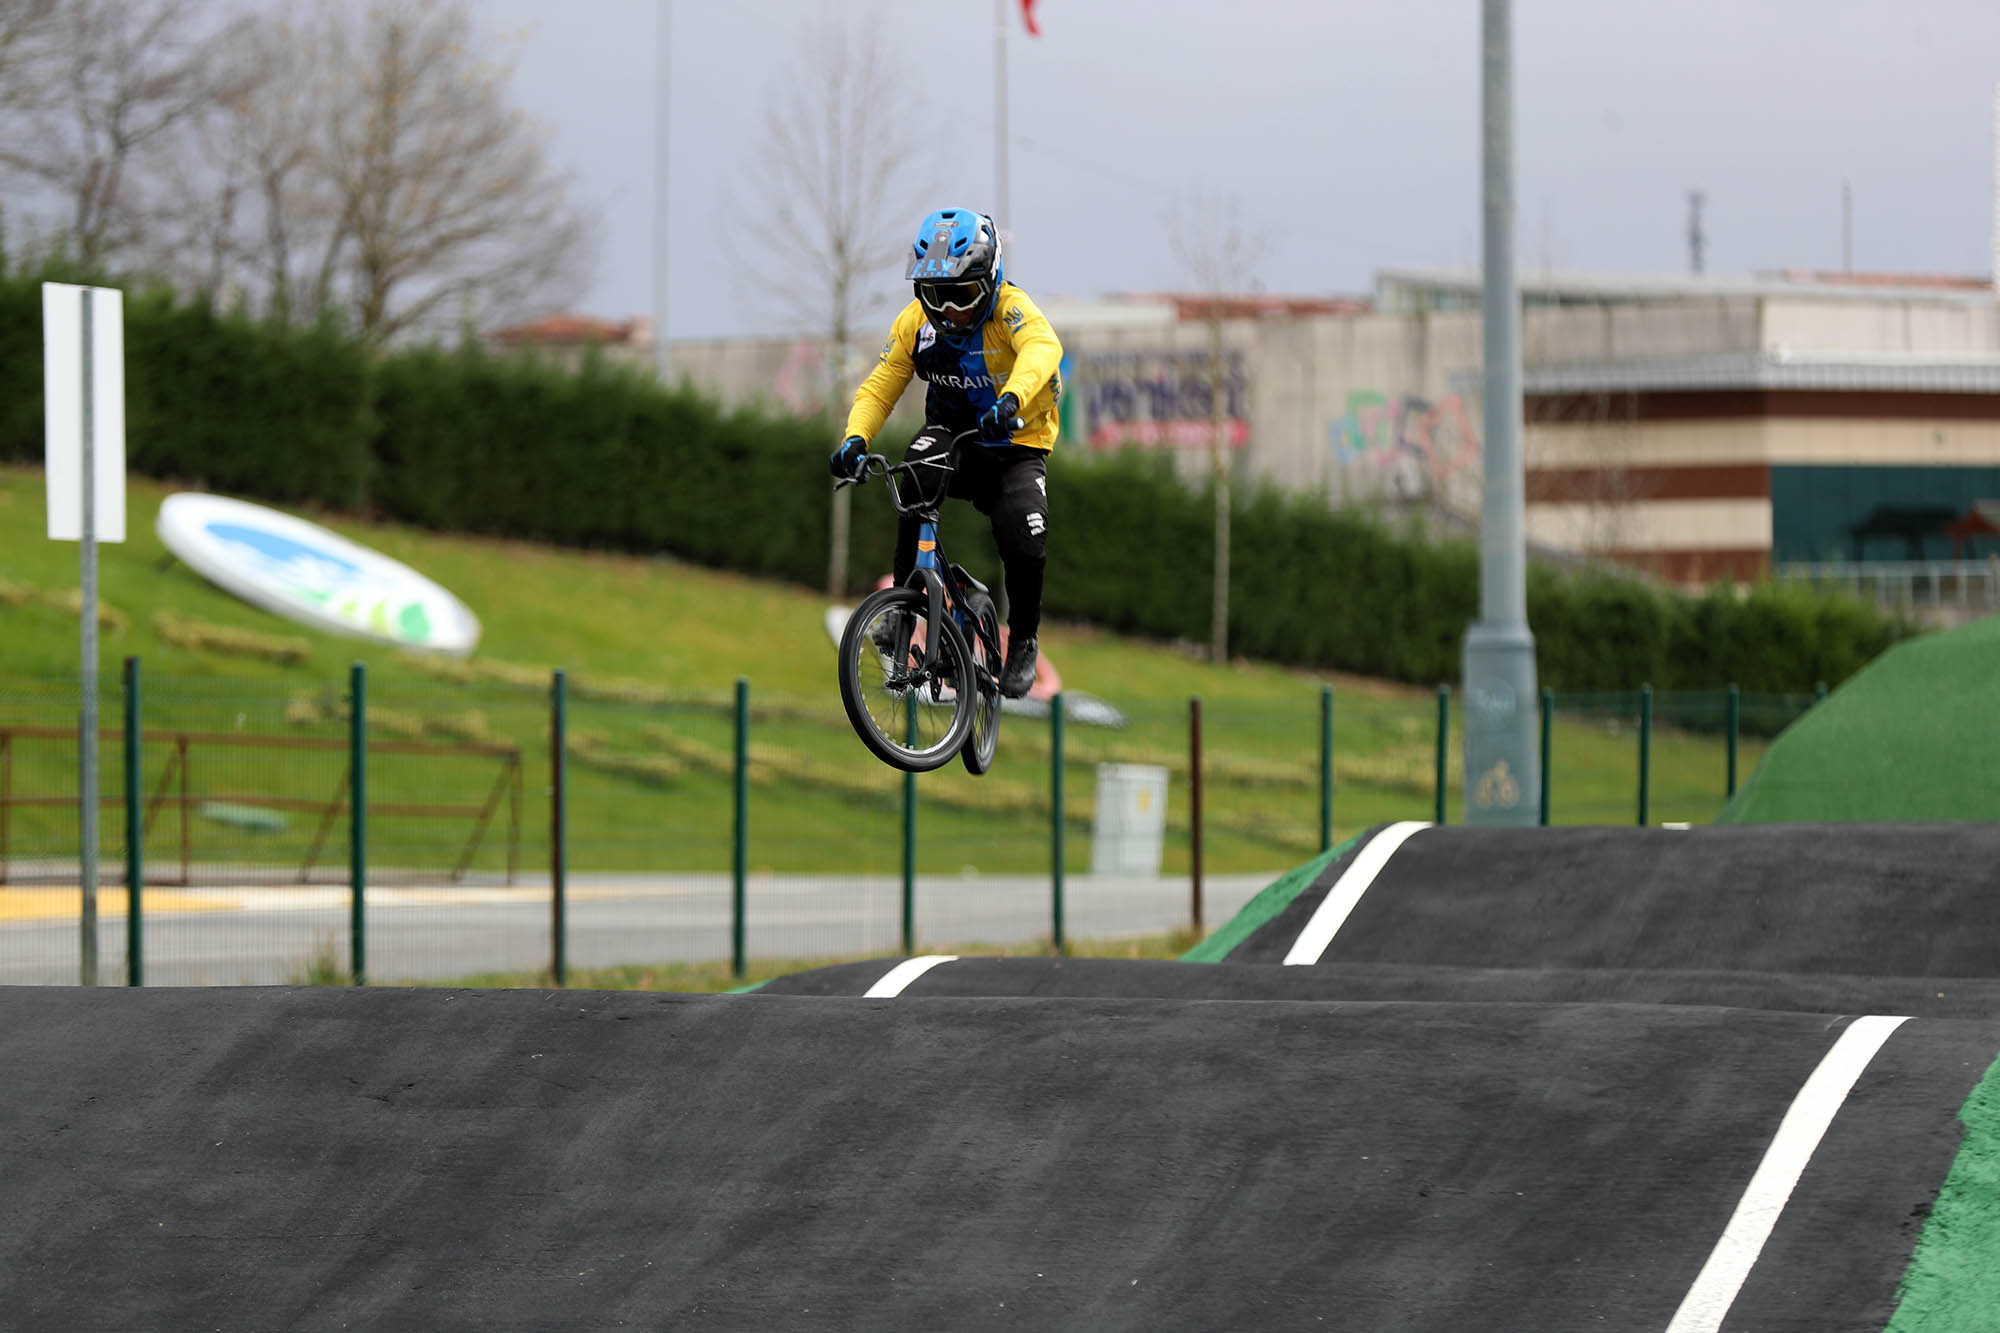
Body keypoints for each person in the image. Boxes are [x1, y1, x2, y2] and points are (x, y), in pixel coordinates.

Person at [829, 207, 1063, 699]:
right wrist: (855, 439)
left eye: (962, 294)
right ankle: (904, 608)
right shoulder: (917, 324)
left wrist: (1012, 399)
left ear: (990, 277)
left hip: (1015, 444)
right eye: (936, 295)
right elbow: (880, 388)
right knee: (913, 474)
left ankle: (1022, 641)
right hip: (953, 437)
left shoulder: (1011, 310)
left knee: (1024, 535)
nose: (950, 310)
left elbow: (1044, 349)